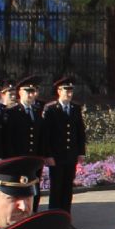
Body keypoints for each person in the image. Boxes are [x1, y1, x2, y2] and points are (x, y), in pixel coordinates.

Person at [40, 76, 86, 220]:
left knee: (67, 189)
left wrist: (81, 152)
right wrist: (48, 155)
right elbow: (46, 134)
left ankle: (66, 219)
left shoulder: (75, 108)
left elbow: (80, 132)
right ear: (59, 91)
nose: (69, 94)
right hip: (57, 156)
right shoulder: (51, 109)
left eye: (71, 91)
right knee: (57, 188)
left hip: (70, 155)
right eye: (66, 91)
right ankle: (54, 219)